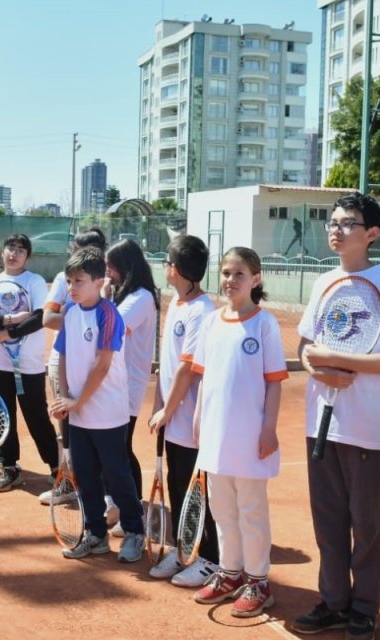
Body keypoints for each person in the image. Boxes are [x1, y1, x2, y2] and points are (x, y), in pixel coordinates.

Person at [292, 193, 380, 639]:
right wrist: (314, 364)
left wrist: (342, 364)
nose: (337, 229)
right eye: (334, 221)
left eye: (348, 223)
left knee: (364, 524)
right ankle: (333, 600)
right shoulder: (323, 281)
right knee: (327, 520)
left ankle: (363, 607)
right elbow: (306, 346)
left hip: (367, 429)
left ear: (372, 234)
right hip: (319, 422)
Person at [188, 246, 288, 617]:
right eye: (226, 272)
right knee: (222, 510)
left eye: (239, 274)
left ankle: (258, 580)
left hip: (250, 438)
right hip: (215, 436)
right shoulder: (213, 322)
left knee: (251, 511)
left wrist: (268, 430)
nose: (230, 280)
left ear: (256, 280)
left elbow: (274, 382)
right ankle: (229, 573)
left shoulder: (265, 324)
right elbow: (204, 378)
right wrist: (199, 417)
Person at [48, 247, 146, 562]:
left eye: (79, 281)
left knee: (117, 476)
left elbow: (102, 366)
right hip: (78, 412)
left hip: (107, 414)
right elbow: (62, 354)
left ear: (99, 282)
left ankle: (134, 532)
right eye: (69, 281)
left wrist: (77, 401)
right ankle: (95, 535)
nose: (72, 287)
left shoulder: (109, 314)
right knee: (87, 478)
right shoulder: (71, 313)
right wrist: (65, 396)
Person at [147, 235, 221, 587]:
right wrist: (160, 406)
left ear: (173, 269)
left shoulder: (203, 311)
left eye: (166, 263)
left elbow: (187, 369)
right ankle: (183, 550)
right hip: (173, 419)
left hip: (193, 423)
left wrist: (168, 410)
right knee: (178, 490)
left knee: (198, 494)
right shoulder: (176, 303)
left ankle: (209, 559)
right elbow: (168, 363)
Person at [0, 234, 59, 492]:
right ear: (2, 251)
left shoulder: (34, 281)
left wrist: (7, 334)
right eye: (10, 247)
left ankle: (57, 467)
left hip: (28, 363)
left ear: (27, 256)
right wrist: (9, 320)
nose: (14, 253)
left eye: (21, 249)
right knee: (1, 414)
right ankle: (9, 467)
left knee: (36, 415)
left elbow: (39, 317)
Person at [39, 228, 107, 506]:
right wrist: (76, 320)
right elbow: (47, 317)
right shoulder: (62, 280)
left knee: (100, 428)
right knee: (67, 424)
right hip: (65, 359)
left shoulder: (107, 280)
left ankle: (101, 490)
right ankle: (68, 482)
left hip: (100, 364)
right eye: (77, 249)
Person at [101, 238, 160, 536]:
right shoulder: (127, 294)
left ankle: (132, 509)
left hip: (128, 386)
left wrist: (100, 298)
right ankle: (118, 504)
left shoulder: (141, 297)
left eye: (112, 265)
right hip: (115, 385)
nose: (108, 270)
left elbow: (113, 328)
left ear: (126, 265)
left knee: (121, 450)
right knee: (114, 449)